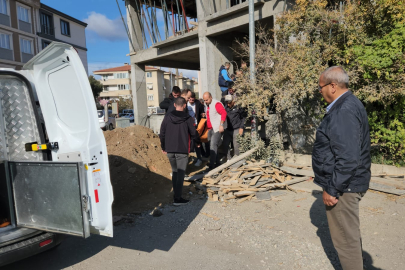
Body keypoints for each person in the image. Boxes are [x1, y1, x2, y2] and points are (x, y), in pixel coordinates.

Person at [312, 66, 371, 270]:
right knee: (350, 236)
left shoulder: (343, 110)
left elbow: (347, 157)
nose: (319, 91)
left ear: (333, 86)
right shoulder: (348, 104)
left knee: (346, 241)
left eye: (320, 87)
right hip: (348, 183)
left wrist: (333, 188)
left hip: (344, 187)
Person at [160, 97, 200, 206]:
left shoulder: (167, 117)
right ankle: (177, 199)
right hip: (182, 150)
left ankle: (176, 195)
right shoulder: (188, 118)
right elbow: (193, 133)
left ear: (174, 105)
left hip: (170, 149)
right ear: (184, 106)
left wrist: (163, 147)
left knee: (175, 172)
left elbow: (162, 133)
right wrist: (197, 142)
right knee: (180, 173)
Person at [203, 92, 227, 170]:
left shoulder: (216, 104)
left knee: (213, 145)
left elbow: (224, 113)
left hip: (217, 128)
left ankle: (211, 166)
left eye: (206, 100)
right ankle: (218, 163)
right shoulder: (207, 105)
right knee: (213, 146)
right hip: (210, 129)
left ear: (211, 97)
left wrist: (221, 125)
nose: (205, 101)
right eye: (204, 100)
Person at [222, 95, 245, 160]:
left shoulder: (239, 108)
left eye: (229, 102)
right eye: (227, 102)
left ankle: (236, 159)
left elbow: (243, 118)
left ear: (233, 101)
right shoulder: (226, 107)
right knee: (225, 144)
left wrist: (241, 127)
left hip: (236, 128)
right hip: (228, 129)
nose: (228, 104)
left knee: (236, 146)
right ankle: (228, 158)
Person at [188, 92, 205, 166]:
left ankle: (199, 158)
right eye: (190, 99)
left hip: (196, 125)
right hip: (187, 125)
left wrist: (202, 115)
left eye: (192, 99)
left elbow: (202, 111)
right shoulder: (185, 104)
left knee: (197, 142)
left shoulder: (198, 104)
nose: (191, 100)